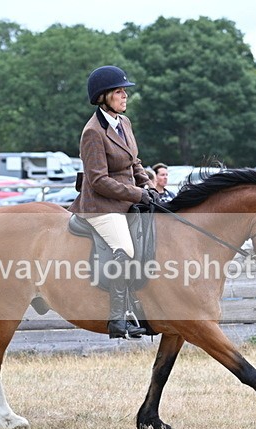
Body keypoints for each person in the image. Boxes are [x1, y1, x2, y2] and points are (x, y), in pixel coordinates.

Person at [68, 65, 158, 339]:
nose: (124, 96)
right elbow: (98, 181)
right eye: (119, 91)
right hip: (101, 206)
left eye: (124, 92)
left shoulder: (124, 123)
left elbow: (134, 161)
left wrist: (147, 184)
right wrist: (138, 194)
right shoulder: (93, 132)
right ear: (103, 96)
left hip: (125, 201)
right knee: (126, 251)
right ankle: (118, 319)